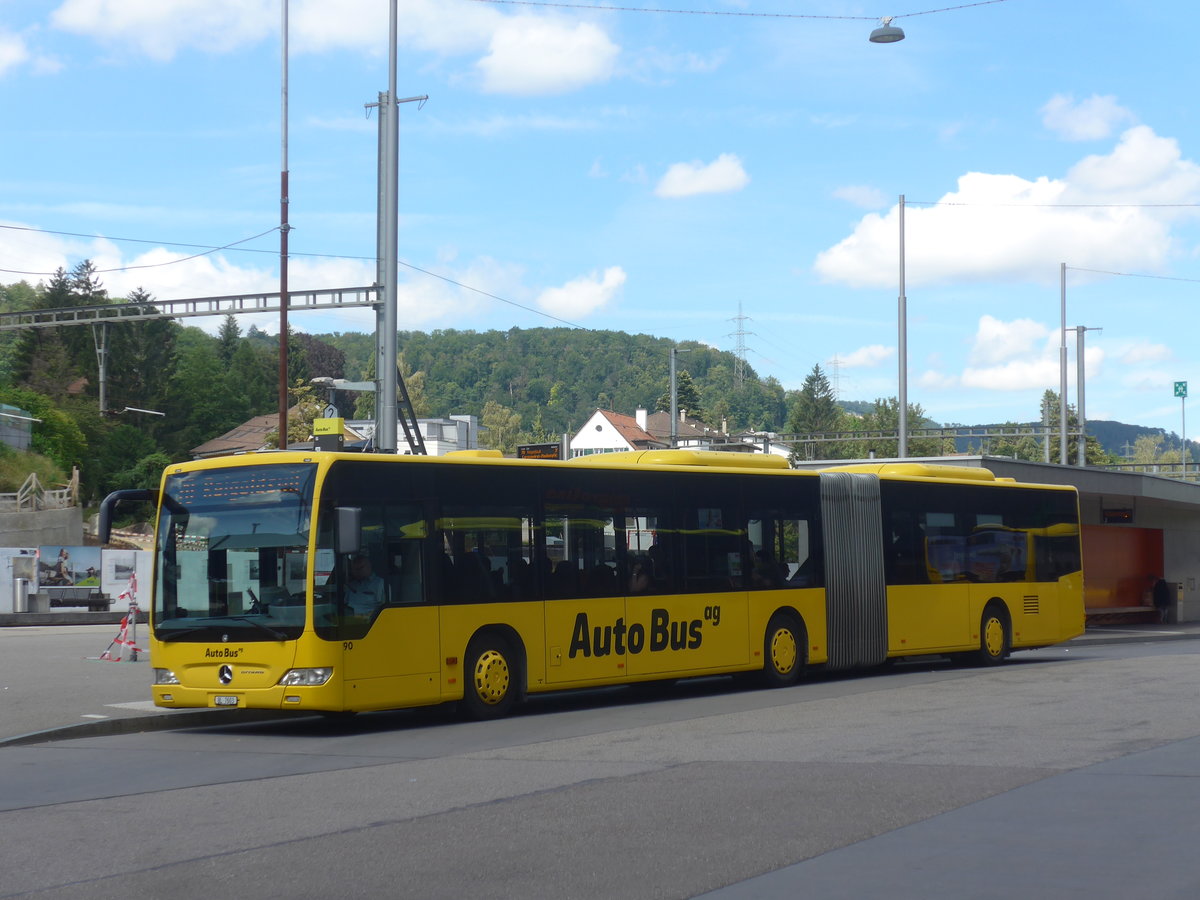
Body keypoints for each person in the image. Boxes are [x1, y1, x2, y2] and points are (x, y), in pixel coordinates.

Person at [344, 551, 385, 616]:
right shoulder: (351, 585)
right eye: (355, 569)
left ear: (369, 566)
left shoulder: (380, 584)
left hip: (369, 622)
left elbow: (384, 609)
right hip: (349, 620)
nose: (358, 571)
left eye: (361, 568)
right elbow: (345, 604)